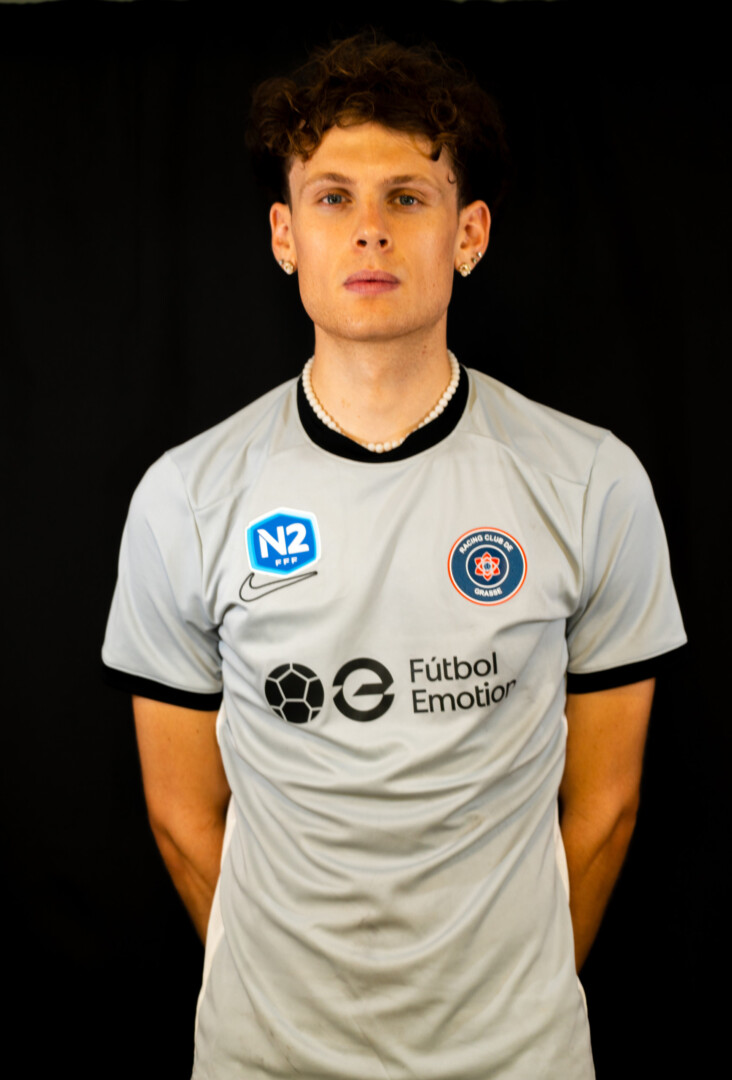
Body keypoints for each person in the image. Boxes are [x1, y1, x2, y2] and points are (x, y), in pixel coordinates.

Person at [102, 33, 686, 1079]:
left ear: (470, 234)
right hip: (265, 1057)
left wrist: (506, 1010)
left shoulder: (591, 480)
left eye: (407, 198)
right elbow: (182, 817)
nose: (369, 229)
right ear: (285, 236)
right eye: (333, 198)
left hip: (519, 1058)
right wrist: (280, 997)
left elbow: (605, 811)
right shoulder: (186, 496)